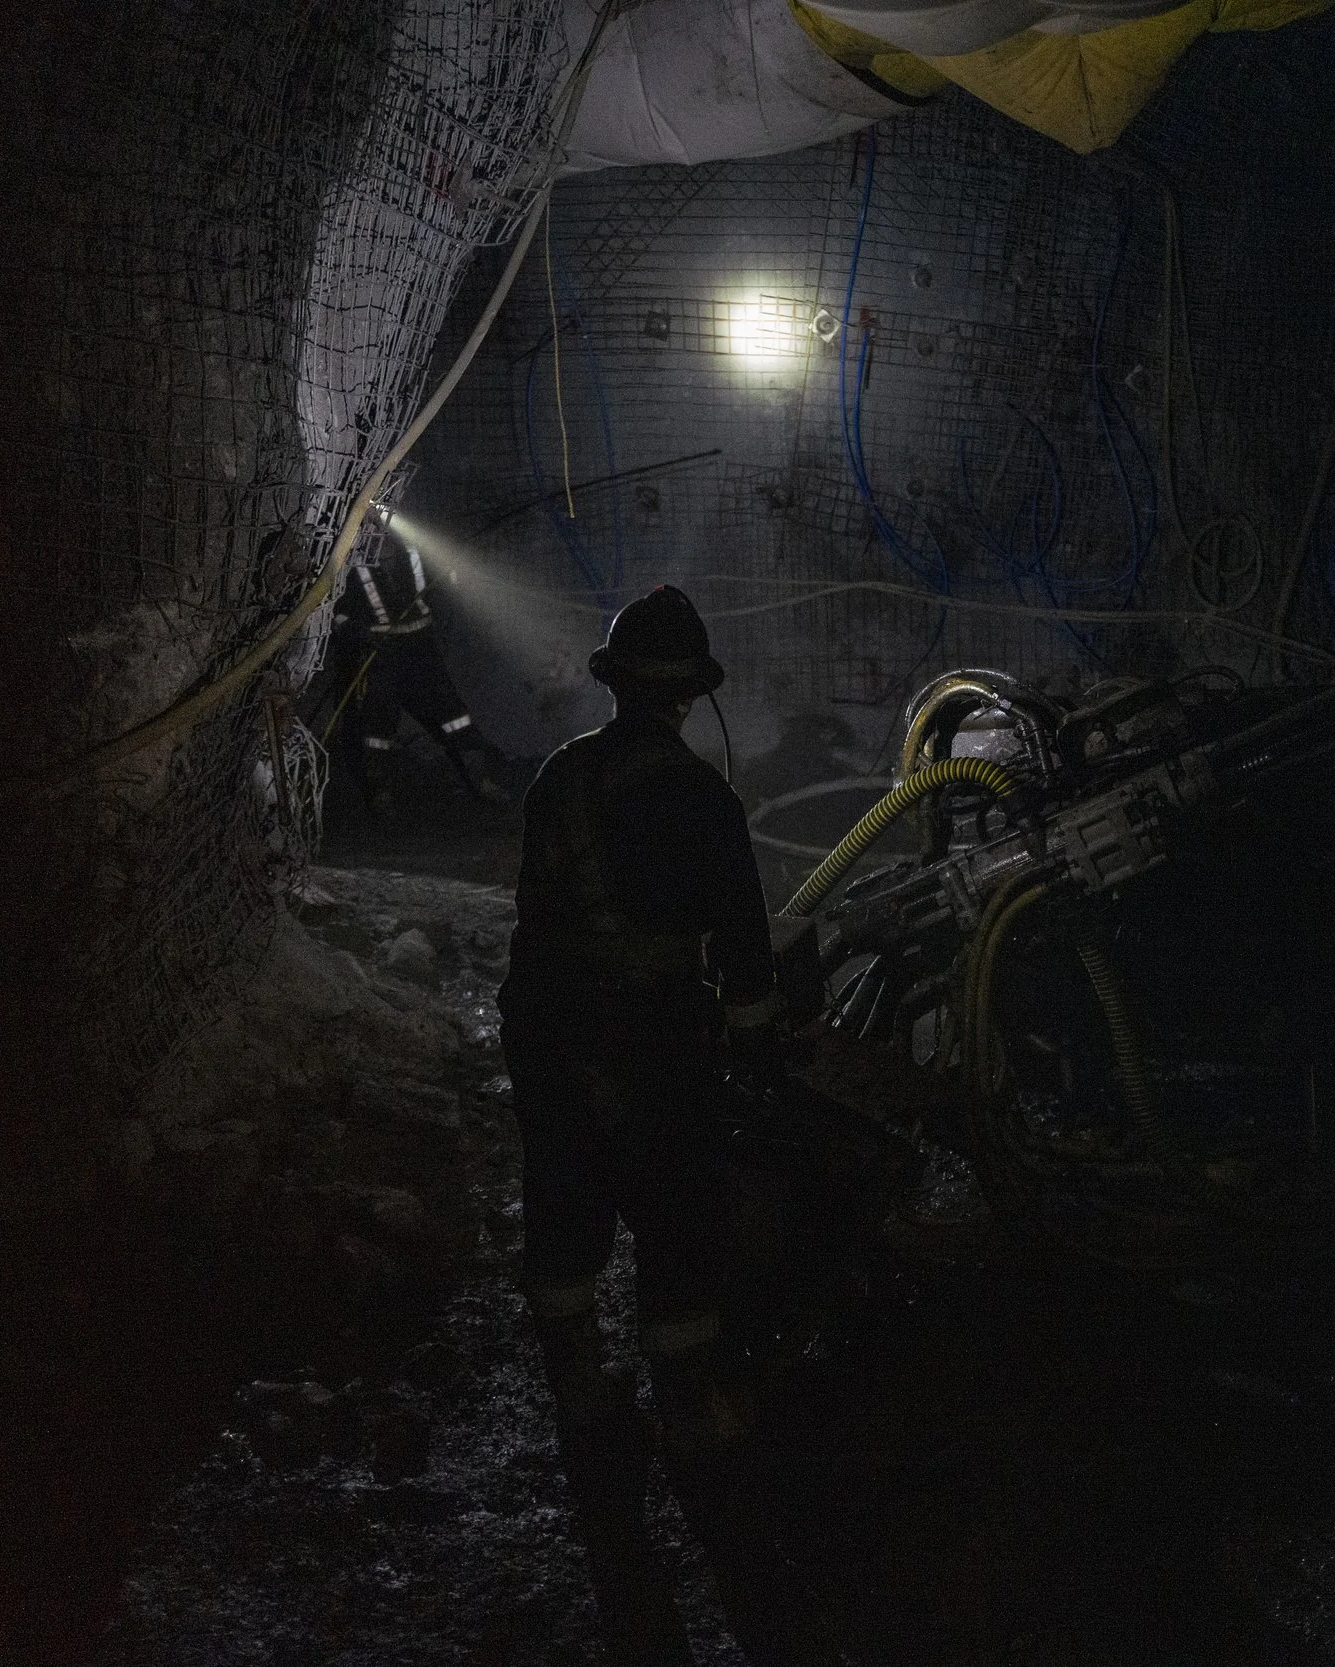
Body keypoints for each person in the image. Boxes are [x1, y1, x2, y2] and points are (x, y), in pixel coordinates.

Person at [498, 584, 784, 1660]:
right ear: (689, 696)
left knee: (565, 1199)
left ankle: (579, 1379)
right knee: (676, 1219)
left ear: (616, 684)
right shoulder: (705, 803)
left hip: (552, 1030)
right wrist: (755, 1046)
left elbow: (534, 922)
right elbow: (746, 964)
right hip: (657, 1042)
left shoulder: (556, 780)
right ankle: (686, 1397)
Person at [325, 512, 513, 814]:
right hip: (381, 654)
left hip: (421, 649)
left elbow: (447, 589)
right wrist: (357, 632)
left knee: (455, 715)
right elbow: (334, 613)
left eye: (381, 526)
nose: (379, 534)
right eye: (369, 528)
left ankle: (482, 780)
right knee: (377, 725)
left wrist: (453, 573)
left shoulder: (414, 552)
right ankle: (379, 792)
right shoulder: (347, 566)